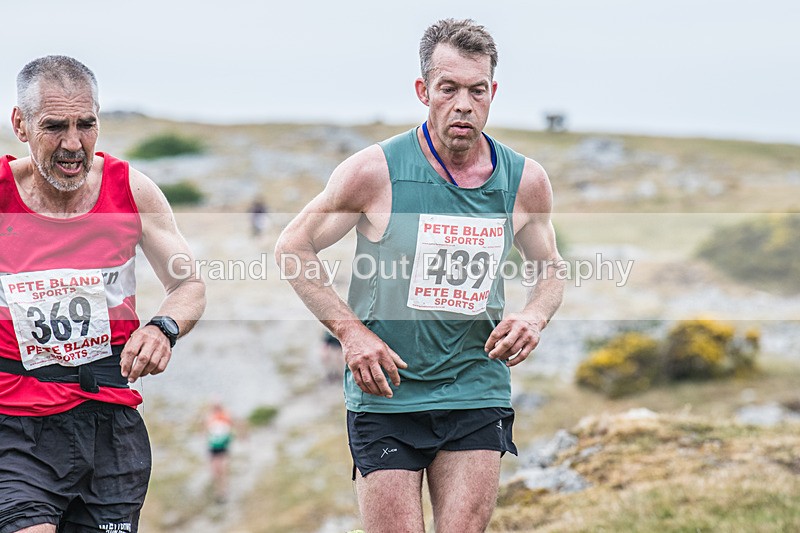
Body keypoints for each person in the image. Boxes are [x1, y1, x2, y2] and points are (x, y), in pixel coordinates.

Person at [275, 19, 564, 532]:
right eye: (448, 88)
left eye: (477, 91)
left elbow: (550, 269)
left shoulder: (524, 180)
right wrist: (350, 332)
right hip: (386, 391)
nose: (463, 104)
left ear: (492, 93)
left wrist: (535, 316)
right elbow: (292, 247)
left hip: (475, 386)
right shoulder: (374, 171)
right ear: (423, 90)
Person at [0, 56, 206, 533]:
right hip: (15, 424)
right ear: (21, 125)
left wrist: (164, 328)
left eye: (85, 125)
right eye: (55, 126)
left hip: (108, 423)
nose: (73, 144)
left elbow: (188, 284)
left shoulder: (130, 190)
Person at [205, 402, 235, 502]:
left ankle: (223, 490)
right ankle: (219, 490)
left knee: (222, 468)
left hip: (222, 445)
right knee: (216, 469)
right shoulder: (211, 417)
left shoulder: (224, 416)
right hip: (214, 446)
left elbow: (231, 425)